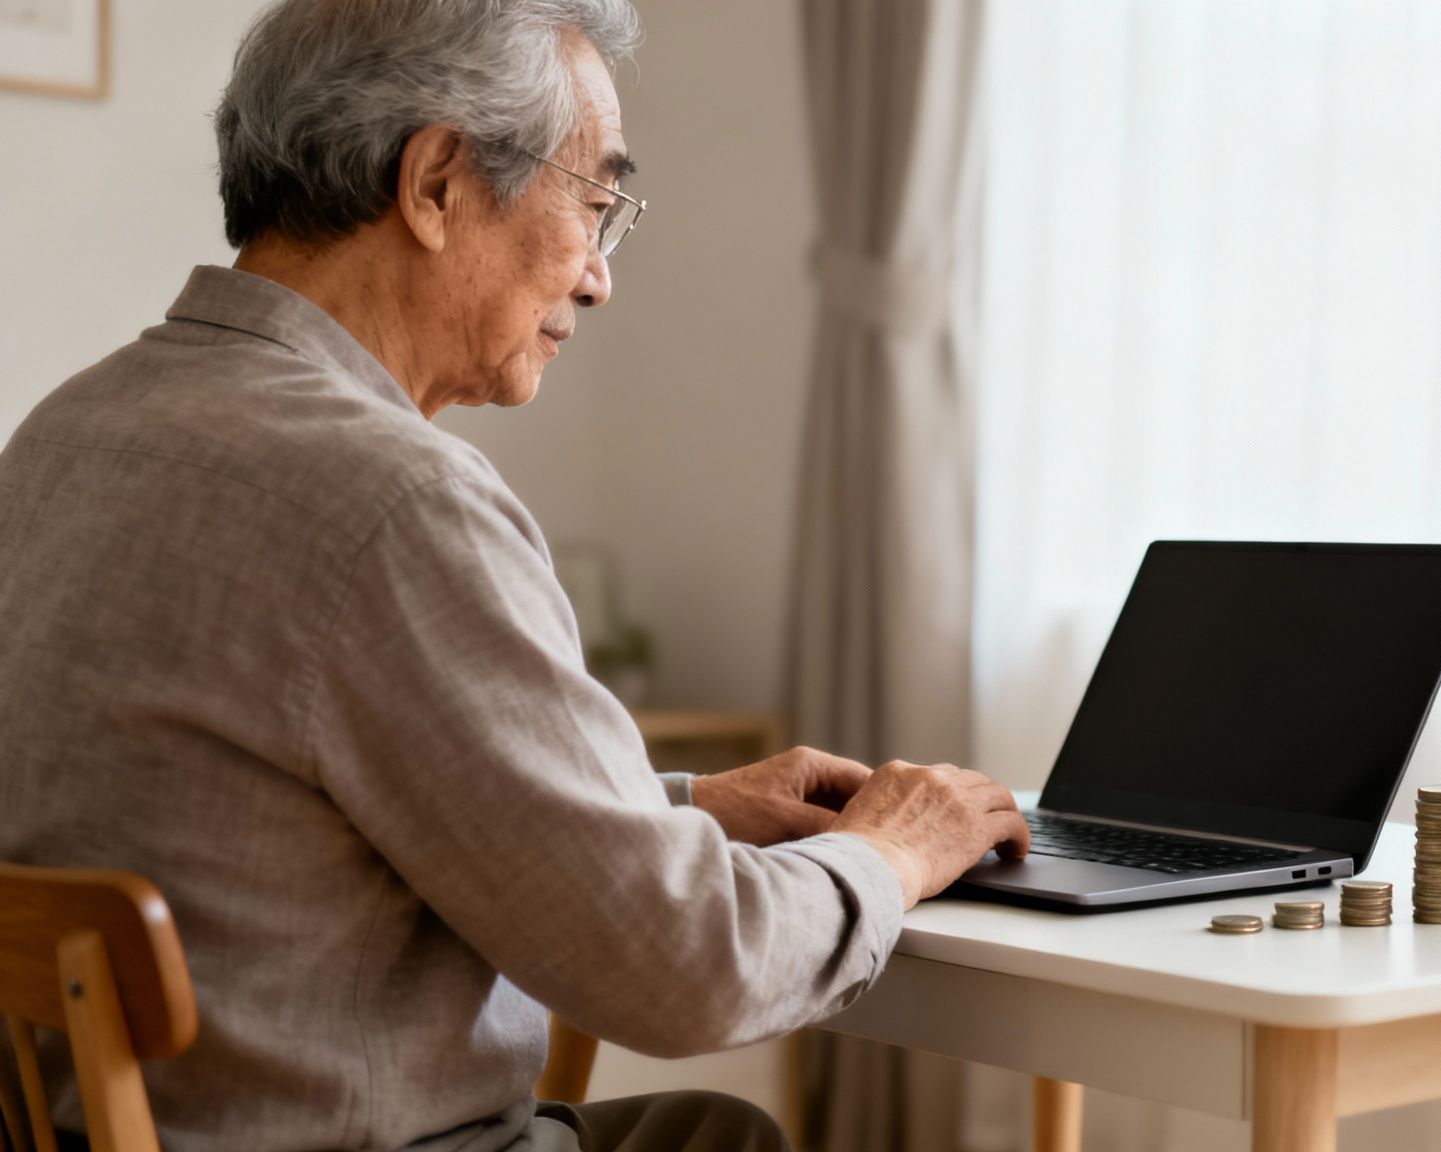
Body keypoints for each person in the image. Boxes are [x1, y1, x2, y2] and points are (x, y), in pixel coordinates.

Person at [0, 2, 1028, 1150]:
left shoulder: (63, 436)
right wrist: (892, 850)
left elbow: (272, 814)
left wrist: (675, 809)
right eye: (593, 204)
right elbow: (686, 973)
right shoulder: (394, 502)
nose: (598, 278)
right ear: (435, 182)